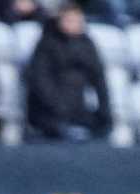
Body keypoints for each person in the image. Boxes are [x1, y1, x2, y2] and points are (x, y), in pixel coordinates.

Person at [24, 3, 111, 141]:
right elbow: (40, 80)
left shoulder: (87, 45)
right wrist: (59, 107)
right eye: (69, 20)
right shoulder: (47, 44)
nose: (74, 24)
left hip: (78, 109)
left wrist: (105, 112)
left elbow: (99, 79)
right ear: (60, 20)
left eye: (78, 21)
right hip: (49, 112)